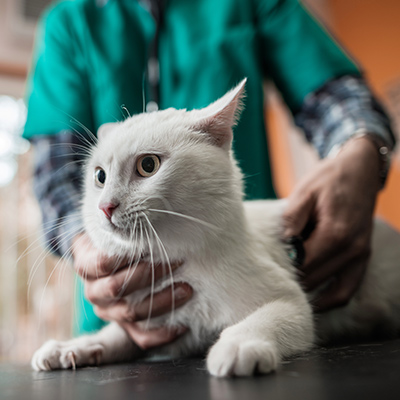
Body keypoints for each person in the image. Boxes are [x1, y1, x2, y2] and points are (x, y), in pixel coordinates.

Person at [24, 0, 395, 348]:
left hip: (247, 271)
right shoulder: (69, 23)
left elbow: (335, 95)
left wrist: (361, 148)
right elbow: (56, 175)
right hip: (121, 306)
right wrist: (83, 246)